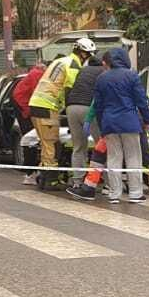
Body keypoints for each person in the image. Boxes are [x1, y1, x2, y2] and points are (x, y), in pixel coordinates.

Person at [27, 38, 93, 186]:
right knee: (52, 144)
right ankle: (51, 180)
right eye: (89, 55)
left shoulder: (61, 61)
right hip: (47, 106)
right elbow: (70, 91)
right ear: (83, 54)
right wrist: (72, 116)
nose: (88, 59)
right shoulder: (74, 66)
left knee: (45, 144)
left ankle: (43, 177)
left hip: (36, 104)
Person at [90, 47, 149, 203]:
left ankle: (114, 193)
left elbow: (98, 105)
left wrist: (101, 124)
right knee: (133, 157)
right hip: (129, 122)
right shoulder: (131, 75)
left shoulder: (101, 78)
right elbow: (141, 101)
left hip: (109, 123)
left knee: (113, 157)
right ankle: (135, 193)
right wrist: (147, 120)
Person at [65, 50, 108, 187]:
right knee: (101, 146)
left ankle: (77, 182)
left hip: (71, 108)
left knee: (78, 147)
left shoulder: (82, 70)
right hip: (89, 109)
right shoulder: (104, 72)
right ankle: (108, 183)